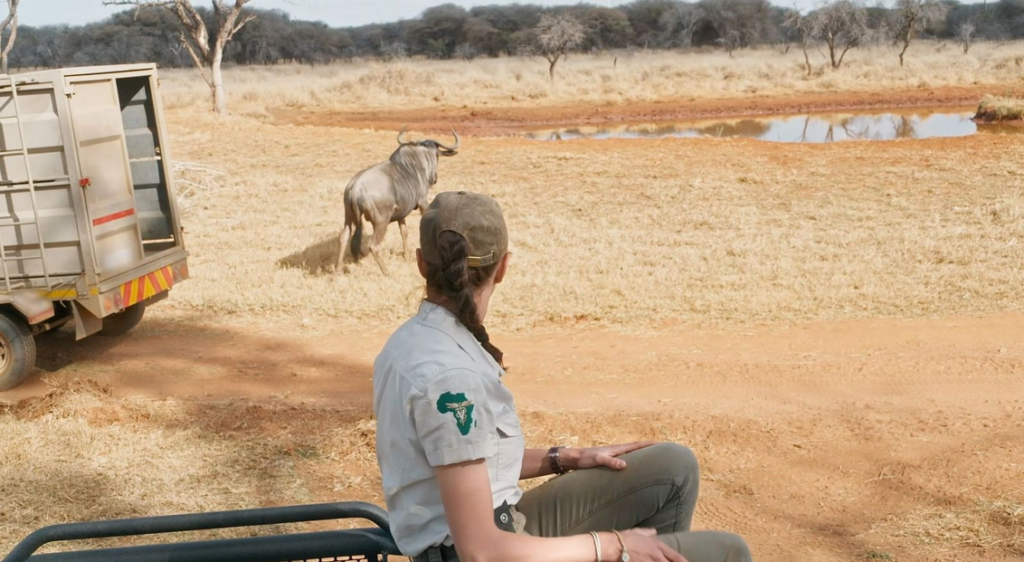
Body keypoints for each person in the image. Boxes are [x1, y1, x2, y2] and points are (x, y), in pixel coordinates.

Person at [373, 191, 752, 562]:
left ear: (422, 263)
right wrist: (611, 546)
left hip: (497, 523)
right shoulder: (452, 380)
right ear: (503, 267)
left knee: (674, 466)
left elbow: (463, 462)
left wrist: (565, 457)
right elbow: (481, 551)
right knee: (730, 553)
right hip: (488, 545)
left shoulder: (412, 342)